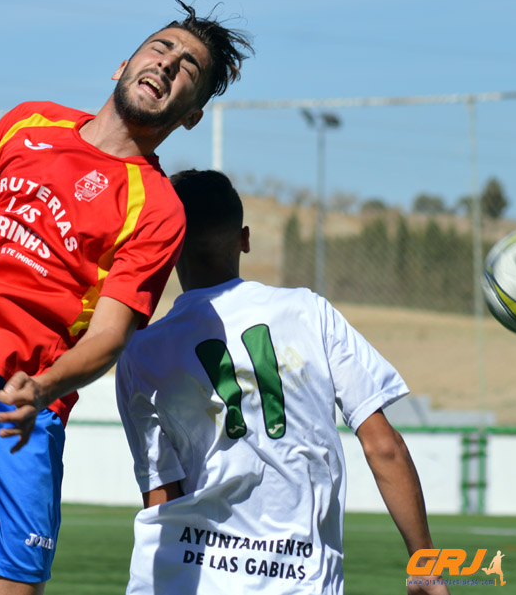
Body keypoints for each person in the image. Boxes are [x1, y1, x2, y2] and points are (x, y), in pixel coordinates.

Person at [0, 3, 252, 595]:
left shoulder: (158, 208)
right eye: (161, 48)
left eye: (188, 68)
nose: (168, 64)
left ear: (192, 115)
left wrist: (45, 387)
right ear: (123, 64)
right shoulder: (29, 123)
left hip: (20, 410)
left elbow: (110, 334)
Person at [115, 170, 450, 595]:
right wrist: (426, 566)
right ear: (245, 239)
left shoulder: (141, 353)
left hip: (191, 579)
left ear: (169, 247)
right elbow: (384, 446)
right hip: (300, 581)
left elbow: (163, 494)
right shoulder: (310, 312)